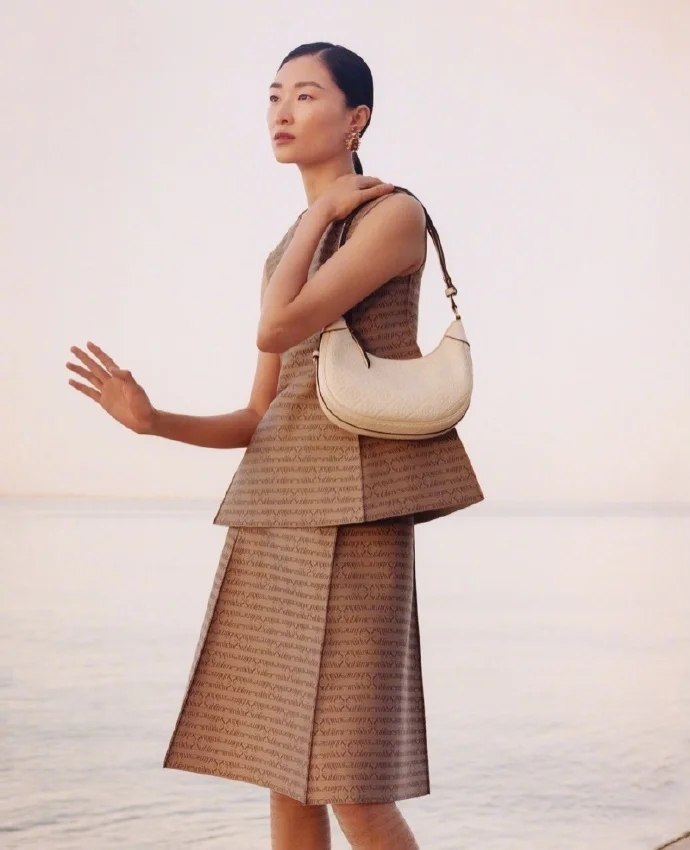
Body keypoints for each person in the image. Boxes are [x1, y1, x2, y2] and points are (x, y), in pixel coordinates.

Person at [66, 41, 483, 850]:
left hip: (359, 511)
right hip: (275, 514)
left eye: (305, 95)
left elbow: (277, 327)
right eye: (273, 96)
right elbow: (263, 414)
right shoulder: (286, 247)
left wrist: (322, 215)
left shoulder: (391, 215)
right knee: (284, 774)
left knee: (353, 785)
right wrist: (153, 420)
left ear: (357, 119)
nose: (282, 112)